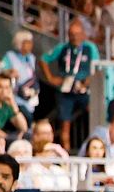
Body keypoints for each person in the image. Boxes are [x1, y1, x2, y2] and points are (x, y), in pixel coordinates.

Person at [40, 19, 99, 147]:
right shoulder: (62, 47)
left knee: (95, 116)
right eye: (72, 34)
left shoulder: (90, 48)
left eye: (77, 34)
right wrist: (50, 78)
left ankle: (96, 149)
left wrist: (88, 80)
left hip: (84, 89)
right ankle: (66, 158)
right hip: (65, 89)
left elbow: (96, 67)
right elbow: (43, 59)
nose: (74, 37)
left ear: (83, 34)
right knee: (65, 123)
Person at [1, 31, 41, 124]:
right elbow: (1, 70)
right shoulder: (9, 56)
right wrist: (9, 72)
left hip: (29, 97)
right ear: (20, 43)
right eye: (28, 42)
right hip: (15, 98)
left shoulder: (31, 58)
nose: (31, 44)